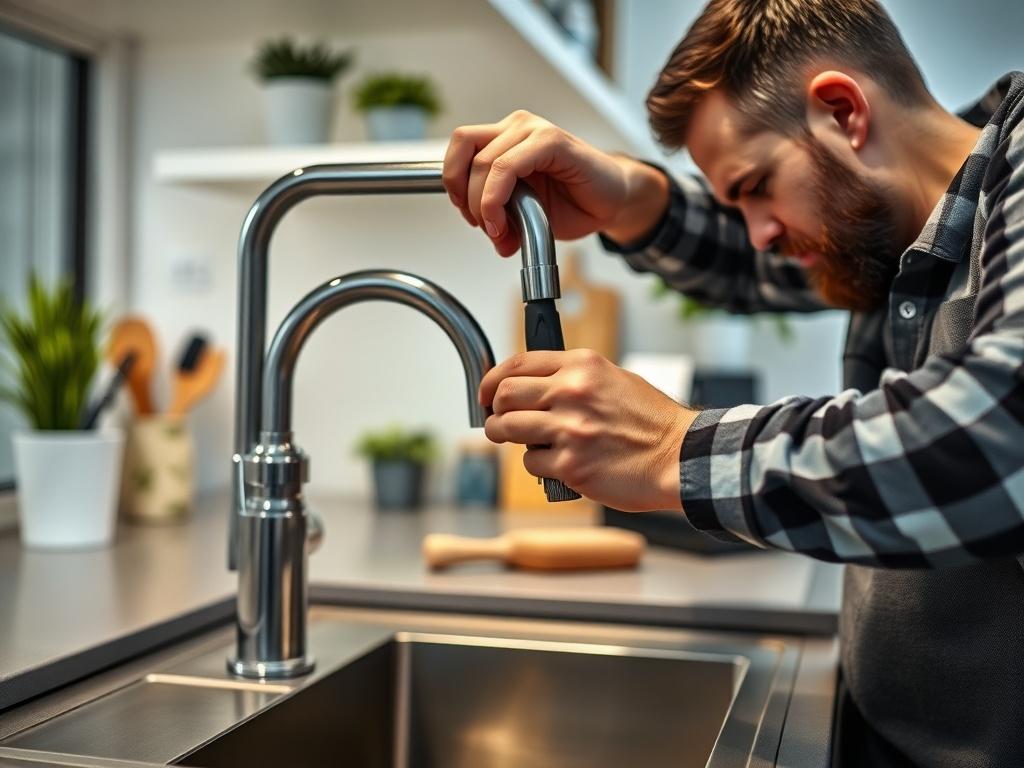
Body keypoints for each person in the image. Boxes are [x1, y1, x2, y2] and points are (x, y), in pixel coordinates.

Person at [441, 0, 1024, 766]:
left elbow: (1001, 435)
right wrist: (624, 196)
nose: (760, 233)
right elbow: (761, 255)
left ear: (843, 111)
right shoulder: (906, 225)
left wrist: (669, 446)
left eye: (753, 185)